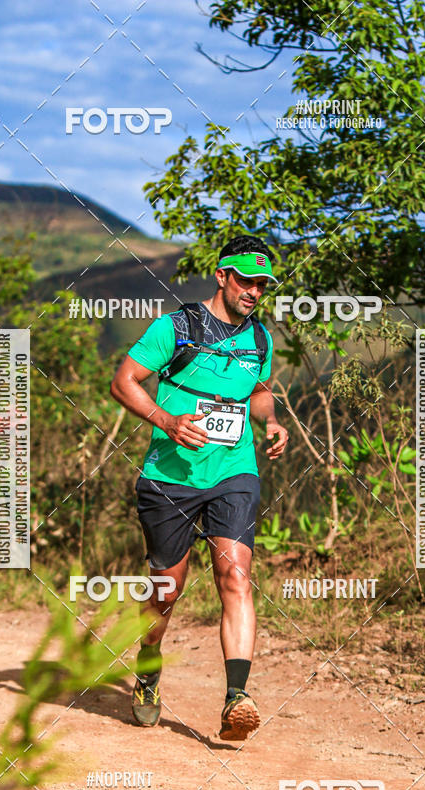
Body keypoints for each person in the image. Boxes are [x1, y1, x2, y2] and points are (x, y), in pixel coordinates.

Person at [110, 234, 289, 740]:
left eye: (262, 284)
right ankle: (148, 664)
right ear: (222, 276)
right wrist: (167, 421)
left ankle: (237, 697)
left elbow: (259, 390)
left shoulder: (260, 338)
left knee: (235, 575)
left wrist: (271, 421)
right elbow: (124, 382)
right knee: (166, 591)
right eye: (246, 281)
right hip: (170, 478)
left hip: (234, 471)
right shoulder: (176, 328)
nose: (254, 292)